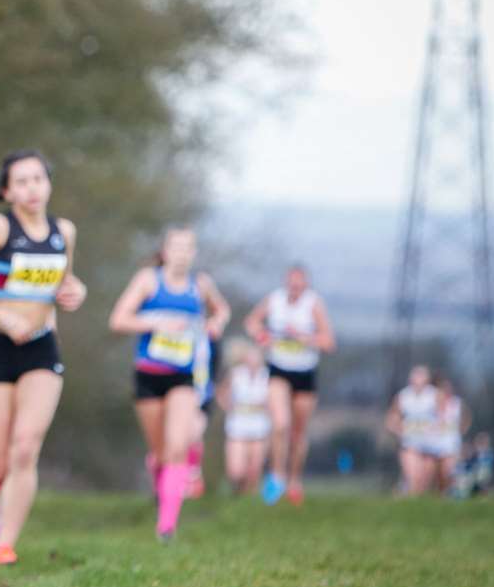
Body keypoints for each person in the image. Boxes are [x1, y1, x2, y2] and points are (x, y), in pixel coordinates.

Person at [0, 150, 86, 566]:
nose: (31, 188)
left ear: (49, 184)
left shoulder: (65, 231)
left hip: (42, 349)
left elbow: (65, 281)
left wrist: (75, 292)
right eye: (21, 182)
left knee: (26, 447)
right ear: (7, 191)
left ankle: (5, 542)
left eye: (38, 179)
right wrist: (0, 315)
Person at [108, 227, 230, 541]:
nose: (182, 253)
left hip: (183, 376)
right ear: (164, 250)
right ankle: (162, 485)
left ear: (194, 252)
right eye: (176, 246)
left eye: (188, 247)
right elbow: (118, 319)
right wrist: (156, 322)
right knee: (161, 452)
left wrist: (215, 324)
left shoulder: (200, 285)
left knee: (179, 446)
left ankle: (166, 524)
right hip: (149, 376)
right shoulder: (148, 280)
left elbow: (222, 310)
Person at [243, 264, 336, 505]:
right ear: (286, 283)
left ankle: (295, 480)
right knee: (280, 424)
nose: (295, 287)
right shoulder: (273, 300)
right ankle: (276, 476)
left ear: (306, 284)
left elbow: (328, 342)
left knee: (297, 433)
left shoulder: (313, 304)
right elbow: (251, 322)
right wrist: (261, 335)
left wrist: (303, 338)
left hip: (305, 373)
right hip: (278, 370)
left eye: (299, 283)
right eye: (291, 282)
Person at [215, 338, 271, 495]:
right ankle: (238, 492)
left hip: (260, 426)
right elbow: (221, 393)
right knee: (235, 471)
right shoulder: (236, 374)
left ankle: (249, 500)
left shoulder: (268, 376)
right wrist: (227, 406)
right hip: (237, 425)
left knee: (254, 468)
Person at [386, 364, 440, 495]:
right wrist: (398, 430)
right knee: (413, 478)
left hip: (430, 443)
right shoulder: (403, 396)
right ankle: (406, 495)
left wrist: (438, 430)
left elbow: (446, 417)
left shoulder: (435, 395)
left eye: (421, 376)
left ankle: (410, 500)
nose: (418, 379)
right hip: (410, 442)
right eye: (416, 376)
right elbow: (392, 418)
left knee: (424, 482)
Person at [430, 373, 470, 495]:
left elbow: (466, 418)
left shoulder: (456, 403)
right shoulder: (430, 404)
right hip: (433, 444)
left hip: (451, 444)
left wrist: (462, 431)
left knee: (448, 471)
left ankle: (447, 494)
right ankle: (440, 495)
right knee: (438, 475)